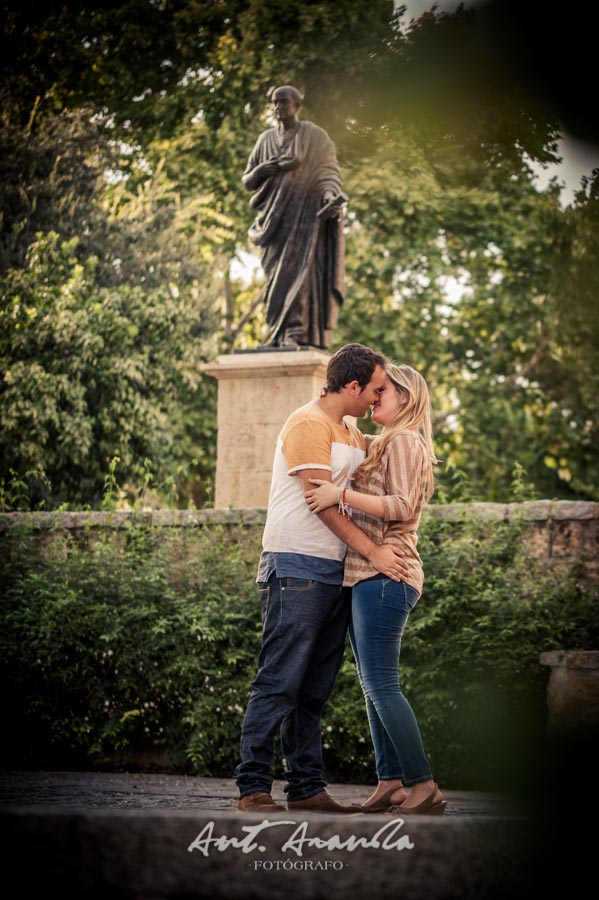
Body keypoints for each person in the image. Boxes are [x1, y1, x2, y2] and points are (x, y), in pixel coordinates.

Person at [235, 344, 409, 813]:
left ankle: (305, 788)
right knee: (279, 681)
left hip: (337, 574)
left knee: (313, 689)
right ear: (352, 387)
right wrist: (374, 550)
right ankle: (252, 787)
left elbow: (395, 447)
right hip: (296, 566)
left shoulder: (349, 431)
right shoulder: (308, 424)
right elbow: (322, 502)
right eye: (374, 389)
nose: (377, 398)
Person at [305, 364, 447, 815]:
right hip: (367, 576)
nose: (373, 396)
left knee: (383, 684)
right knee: (373, 686)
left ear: (404, 397)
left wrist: (338, 496)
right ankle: (390, 782)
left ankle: (423, 785)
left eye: (381, 390)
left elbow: (402, 505)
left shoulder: (405, 440)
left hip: (387, 575)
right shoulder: (383, 441)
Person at [242, 85, 346, 350]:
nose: (279, 108)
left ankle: (294, 333)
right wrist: (262, 170)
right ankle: (277, 333)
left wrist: (328, 196)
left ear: (297, 104)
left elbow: (328, 172)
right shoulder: (265, 140)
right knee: (276, 278)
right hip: (272, 224)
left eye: (284, 102)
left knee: (299, 274)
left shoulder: (315, 136)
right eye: (275, 103)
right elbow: (248, 181)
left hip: (304, 220)